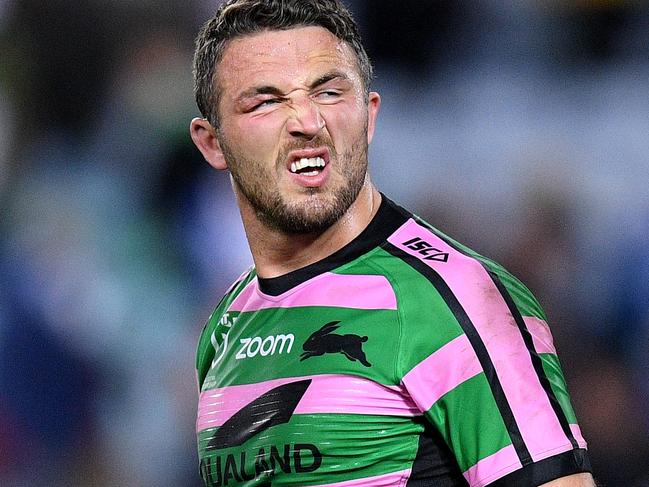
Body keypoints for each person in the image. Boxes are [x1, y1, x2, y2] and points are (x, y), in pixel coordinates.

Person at [189, 1, 595, 485]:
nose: (307, 121)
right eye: (266, 101)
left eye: (329, 92)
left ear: (369, 115)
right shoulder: (227, 324)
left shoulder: (455, 298)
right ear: (212, 143)